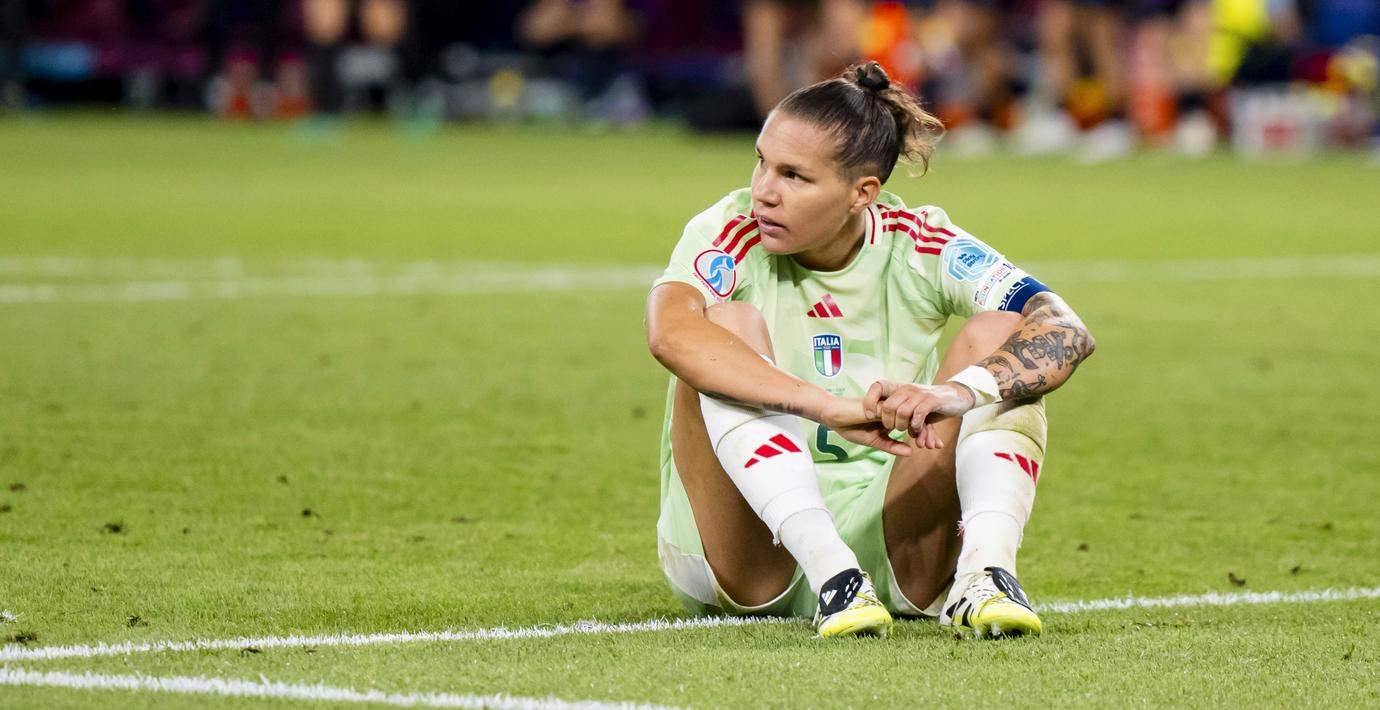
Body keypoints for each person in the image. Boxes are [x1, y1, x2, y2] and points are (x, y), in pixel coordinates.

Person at [645, 61, 1095, 638]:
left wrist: (957, 394)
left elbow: (1065, 329)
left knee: (1005, 339)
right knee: (725, 326)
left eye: (794, 176)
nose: (763, 192)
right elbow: (670, 334)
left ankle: (986, 573)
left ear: (863, 193)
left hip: (894, 547)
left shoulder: (920, 241)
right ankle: (833, 574)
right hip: (750, 562)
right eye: (761, 162)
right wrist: (823, 405)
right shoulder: (730, 229)